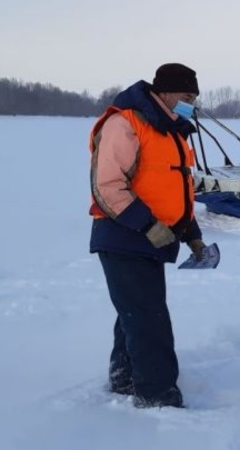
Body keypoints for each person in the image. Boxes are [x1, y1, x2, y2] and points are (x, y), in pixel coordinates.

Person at [88, 63, 205, 408]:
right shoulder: (125, 122)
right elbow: (107, 186)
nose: (191, 103)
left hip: (153, 239)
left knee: (136, 313)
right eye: (186, 96)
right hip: (125, 236)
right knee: (149, 319)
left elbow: (175, 190)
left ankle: (125, 378)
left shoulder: (171, 131)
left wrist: (192, 234)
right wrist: (147, 226)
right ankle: (157, 395)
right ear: (165, 92)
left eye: (194, 98)